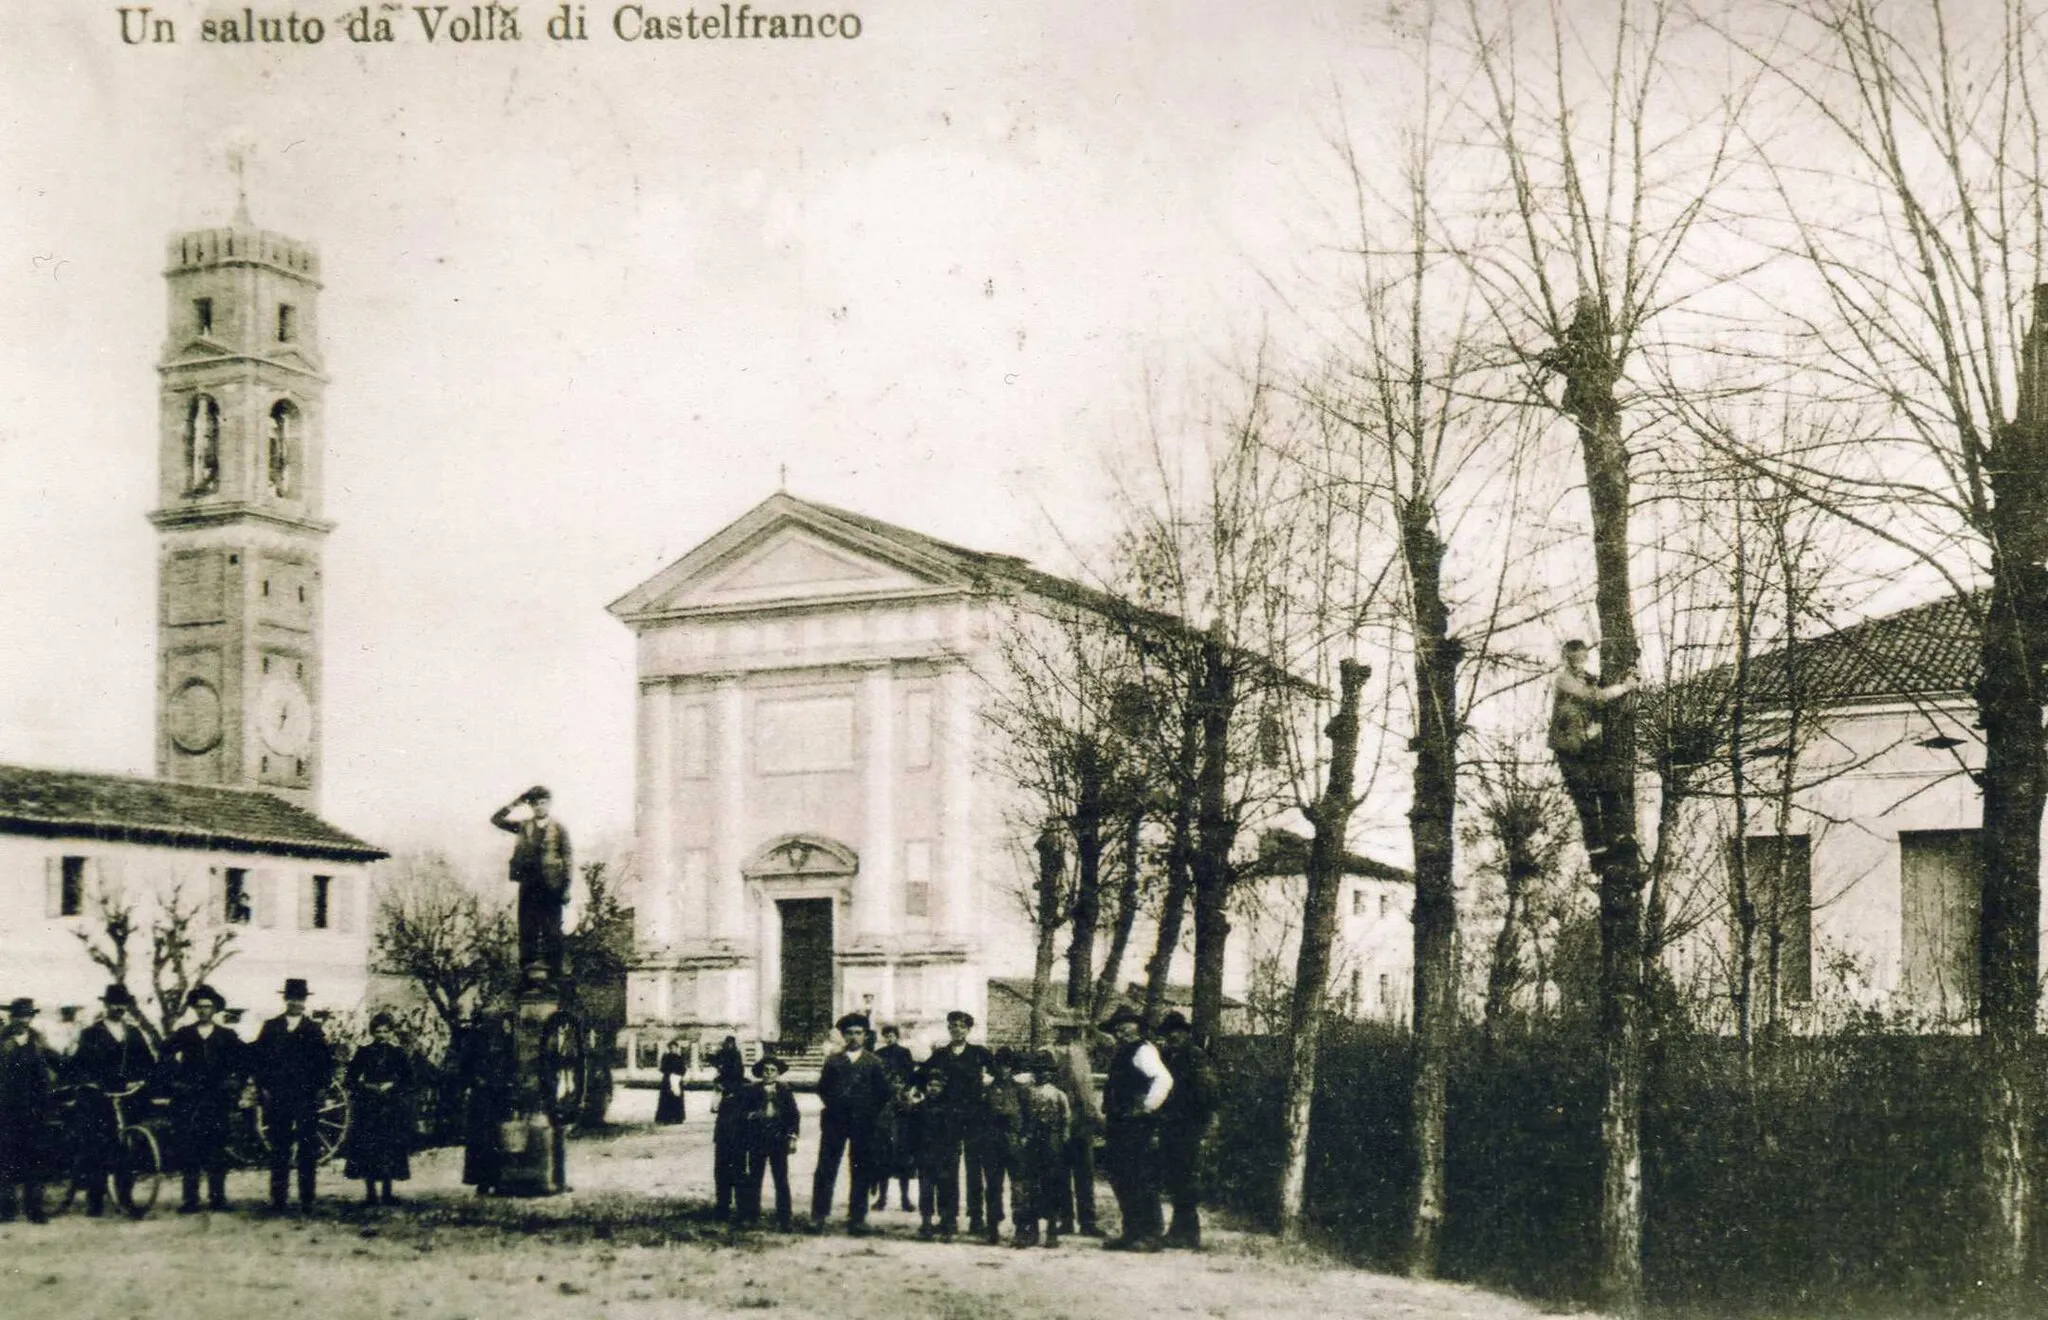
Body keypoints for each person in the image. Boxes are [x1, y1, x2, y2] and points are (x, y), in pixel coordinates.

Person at [67, 983, 158, 1217]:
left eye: (123, 1004)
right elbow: (79, 1065)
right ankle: (95, 1201)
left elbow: (147, 1063)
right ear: (105, 1005)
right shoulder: (91, 1033)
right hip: (99, 1098)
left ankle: (125, 1197)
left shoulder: (134, 1033)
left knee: (126, 1149)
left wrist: (140, 1080)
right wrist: (90, 1083)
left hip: (127, 1098)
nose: (118, 1008)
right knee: (98, 1147)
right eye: (114, 1003)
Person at [1548, 639, 1637, 863]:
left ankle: (1617, 837)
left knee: (1607, 787)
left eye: (1582, 658)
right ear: (1565, 659)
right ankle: (1596, 849)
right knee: (1584, 797)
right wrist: (1624, 687)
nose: (1578, 663)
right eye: (1573, 659)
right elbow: (1593, 697)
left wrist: (1596, 725)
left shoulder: (1589, 680)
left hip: (1588, 746)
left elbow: (1598, 703)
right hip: (1568, 748)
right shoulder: (1563, 680)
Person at [253, 978, 333, 1212]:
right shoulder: (271, 1027)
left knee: (307, 1146)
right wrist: (263, 1088)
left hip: (306, 1097)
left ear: (305, 1001)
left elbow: (324, 1063)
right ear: (285, 1000)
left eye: (300, 999)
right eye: (292, 998)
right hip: (278, 1096)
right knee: (280, 1146)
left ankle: (307, 1198)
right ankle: (279, 1198)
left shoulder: (314, 1030)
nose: (296, 1003)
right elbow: (260, 1062)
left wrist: (320, 1089)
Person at [810, 1012, 892, 1234]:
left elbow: (884, 1092)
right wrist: (837, 1105)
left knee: (861, 1168)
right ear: (843, 1036)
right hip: (835, 1120)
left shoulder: (874, 1062)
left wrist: (867, 1111)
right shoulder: (833, 1060)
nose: (854, 1037)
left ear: (865, 1036)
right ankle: (818, 1215)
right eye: (849, 1033)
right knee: (826, 1166)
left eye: (858, 1033)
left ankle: (857, 1217)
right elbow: (822, 1088)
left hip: (863, 1123)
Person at [1098, 1005, 1171, 1252]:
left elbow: (1163, 1079)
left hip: (1136, 1125)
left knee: (1141, 1177)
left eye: (1126, 1024)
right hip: (1119, 1123)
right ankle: (1131, 1233)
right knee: (1122, 1177)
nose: (1121, 1030)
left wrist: (1147, 1107)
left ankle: (1151, 1235)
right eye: (1117, 1027)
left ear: (1137, 1026)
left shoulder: (1144, 1050)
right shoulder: (1123, 1052)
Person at [916, 1009, 993, 1241]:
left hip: (974, 1119)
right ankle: (948, 1218)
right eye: (952, 1026)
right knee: (947, 1169)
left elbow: (998, 1074)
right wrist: (911, 1090)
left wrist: (989, 1084)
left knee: (974, 1169)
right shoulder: (940, 1054)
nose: (956, 1029)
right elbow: (920, 1076)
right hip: (947, 1121)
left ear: (969, 1029)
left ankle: (976, 1217)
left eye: (961, 1026)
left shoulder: (980, 1053)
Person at [165, 984, 243, 1212]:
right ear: (194, 1009)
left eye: (208, 1007)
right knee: (190, 1149)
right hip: (189, 1099)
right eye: (199, 1007)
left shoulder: (226, 1036)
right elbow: (164, 1054)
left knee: (217, 1149)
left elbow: (244, 1060)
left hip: (217, 1100)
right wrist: (175, 1081)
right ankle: (190, 1200)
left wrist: (234, 1081)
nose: (203, 1011)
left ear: (215, 1009)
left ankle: (217, 1198)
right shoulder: (185, 1033)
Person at [490, 784, 574, 985]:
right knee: (527, 928)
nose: (539, 807)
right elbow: (496, 820)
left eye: (543, 803)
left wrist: (566, 887)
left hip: (552, 886)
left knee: (552, 930)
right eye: (535, 804)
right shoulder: (523, 826)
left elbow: (568, 859)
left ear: (549, 804)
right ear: (530, 806)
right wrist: (516, 803)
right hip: (528, 884)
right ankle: (527, 976)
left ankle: (554, 978)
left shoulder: (559, 829)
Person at [1154, 1011, 1218, 1249]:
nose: (1173, 1037)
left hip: (1190, 1125)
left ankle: (1189, 1233)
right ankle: (1180, 1231)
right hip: (1172, 1125)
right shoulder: (1169, 1057)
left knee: (1186, 1178)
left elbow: (1208, 1091)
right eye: (1169, 1033)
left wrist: (1198, 1117)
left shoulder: (1196, 1057)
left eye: (1177, 1033)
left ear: (1185, 1033)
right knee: (1175, 1178)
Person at [343, 1013, 415, 1206]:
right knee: (368, 1149)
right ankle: (371, 1193)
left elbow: (409, 1080)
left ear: (391, 1032)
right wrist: (368, 1087)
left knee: (389, 1149)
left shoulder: (398, 1053)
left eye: (386, 1031)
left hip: (391, 1107)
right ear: (372, 1032)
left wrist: (392, 1085)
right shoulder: (363, 1052)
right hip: (369, 1108)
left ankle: (387, 1192)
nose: (382, 1035)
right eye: (378, 1031)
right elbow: (349, 1080)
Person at [0, 998, 55, 1224]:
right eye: (19, 1016)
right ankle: (6, 1208)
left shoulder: (38, 1040)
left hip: (35, 1108)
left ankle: (35, 1208)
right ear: (11, 1017)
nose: (23, 1020)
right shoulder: (2, 1040)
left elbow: (57, 1061)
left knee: (35, 1158)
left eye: (27, 1016)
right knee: (6, 1158)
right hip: (6, 1107)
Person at [1012, 1049, 1071, 1249]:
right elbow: (1021, 1116)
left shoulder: (1058, 1094)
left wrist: (1063, 1140)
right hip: (1032, 1142)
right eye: (1038, 1071)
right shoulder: (1027, 1092)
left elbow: (1066, 1120)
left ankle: (1052, 1230)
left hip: (1052, 1142)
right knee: (1032, 1186)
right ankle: (1033, 1230)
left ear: (1051, 1073)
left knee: (1052, 1185)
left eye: (1046, 1071)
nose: (1042, 1074)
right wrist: (1023, 1136)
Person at [737, 1054, 799, 1230]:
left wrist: (792, 1137)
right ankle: (751, 1216)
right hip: (757, 1140)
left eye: (773, 1070)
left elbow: (794, 1116)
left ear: (778, 1074)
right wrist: (753, 1115)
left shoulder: (784, 1091)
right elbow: (741, 1113)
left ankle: (785, 1218)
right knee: (754, 1178)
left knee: (781, 1179)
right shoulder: (751, 1090)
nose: (769, 1073)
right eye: (766, 1070)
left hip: (778, 1140)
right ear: (760, 1073)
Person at [1052, 1026, 1104, 1237]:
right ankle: (1066, 1220)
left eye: (1073, 1032)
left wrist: (1092, 1115)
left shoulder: (1082, 1055)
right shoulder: (1050, 1053)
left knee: (1084, 1173)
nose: (1069, 1036)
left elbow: (1086, 1091)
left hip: (1081, 1121)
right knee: (1061, 1172)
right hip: (1060, 1119)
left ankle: (1087, 1220)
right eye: (1065, 1031)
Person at [871, 1024, 917, 1212]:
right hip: (884, 1107)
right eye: (886, 1036)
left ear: (897, 1036)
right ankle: (882, 1198)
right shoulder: (879, 1053)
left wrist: (904, 1091)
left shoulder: (904, 1053)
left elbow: (911, 1076)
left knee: (903, 1158)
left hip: (901, 1111)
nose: (889, 1038)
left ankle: (905, 1199)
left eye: (892, 1035)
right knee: (883, 1158)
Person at [710, 1039, 749, 1220]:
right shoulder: (738, 1083)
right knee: (733, 1169)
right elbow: (715, 1107)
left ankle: (725, 1206)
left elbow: (714, 1108)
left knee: (726, 1169)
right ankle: (734, 1206)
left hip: (732, 1132)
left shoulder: (726, 1084)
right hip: (731, 1132)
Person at [654, 1039, 688, 1125]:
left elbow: (683, 1069)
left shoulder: (680, 1058)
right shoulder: (666, 1057)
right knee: (666, 1099)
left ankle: (678, 1117)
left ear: (677, 1048)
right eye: (671, 1048)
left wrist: (678, 1075)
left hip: (677, 1080)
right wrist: (669, 1073)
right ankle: (666, 1118)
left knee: (677, 1098)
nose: (673, 1049)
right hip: (667, 1081)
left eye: (675, 1048)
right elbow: (662, 1068)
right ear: (669, 1048)